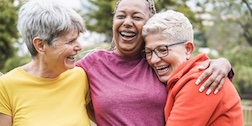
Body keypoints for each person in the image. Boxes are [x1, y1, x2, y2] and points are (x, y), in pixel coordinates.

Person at [76, 0, 234, 125]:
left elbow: (191, 67)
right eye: (121, 16)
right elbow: (59, 78)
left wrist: (223, 63)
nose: (127, 22)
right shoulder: (94, 63)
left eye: (136, 17)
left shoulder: (157, 62)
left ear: (148, 25)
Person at [142, 10, 243, 126]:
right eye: (149, 52)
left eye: (163, 50)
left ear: (188, 49)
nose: (154, 60)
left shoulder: (202, 80)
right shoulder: (180, 78)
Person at [0, 0, 91, 125]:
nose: (79, 47)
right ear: (41, 45)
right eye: (70, 41)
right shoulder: (6, 86)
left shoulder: (80, 77)